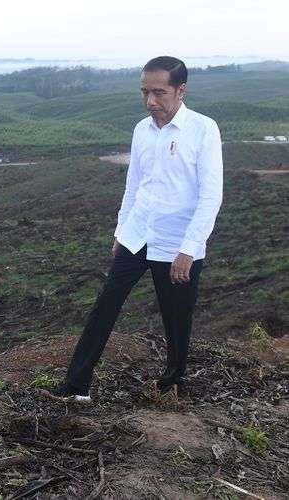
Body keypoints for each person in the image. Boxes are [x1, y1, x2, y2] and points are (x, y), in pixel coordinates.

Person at [51, 56, 223, 403]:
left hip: (178, 243)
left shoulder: (204, 129)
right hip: (138, 234)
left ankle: (171, 386)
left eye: (159, 93)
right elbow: (133, 186)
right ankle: (76, 386)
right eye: (145, 92)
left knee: (176, 318)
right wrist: (121, 231)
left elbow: (211, 195)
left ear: (181, 90)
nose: (150, 102)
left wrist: (188, 249)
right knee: (105, 306)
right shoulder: (142, 130)